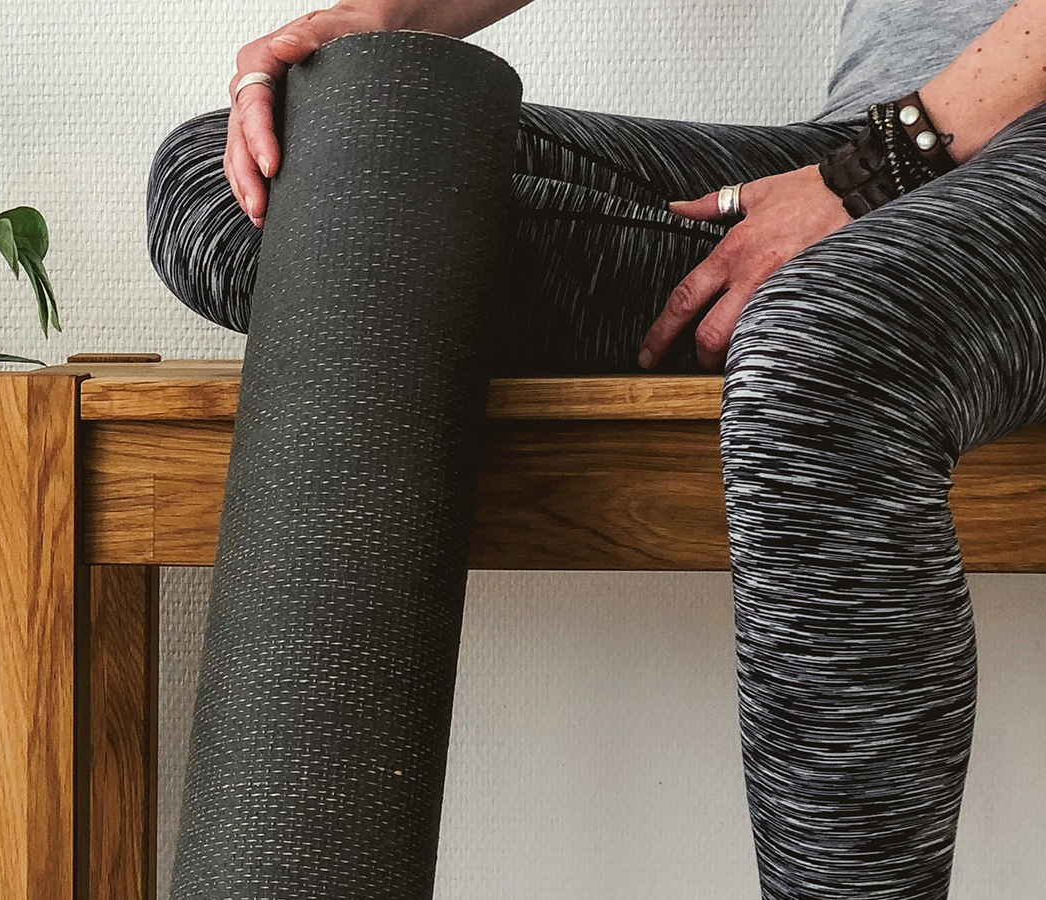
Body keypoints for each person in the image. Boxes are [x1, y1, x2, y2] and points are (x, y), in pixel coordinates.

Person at [146, 1, 1046, 897]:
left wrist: (889, 161)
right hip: (882, 143)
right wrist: (385, 21)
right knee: (274, 177)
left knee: (821, 348)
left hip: (950, 152)